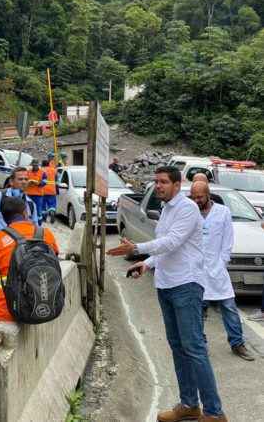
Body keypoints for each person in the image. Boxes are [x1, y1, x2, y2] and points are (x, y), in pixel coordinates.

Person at [108, 166, 227, 422]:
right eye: (156, 181)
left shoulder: (187, 208)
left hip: (186, 285)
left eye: (163, 182)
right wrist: (147, 263)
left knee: (194, 348)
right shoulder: (167, 209)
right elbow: (167, 249)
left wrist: (137, 247)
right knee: (178, 347)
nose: (158, 186)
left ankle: (214, 412)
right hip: (166, 285)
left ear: (176, 184)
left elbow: (172, 241)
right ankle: (189, 404)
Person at [0, 196, 59, 347]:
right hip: (49, 302)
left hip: (9, 307)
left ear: (4, 218)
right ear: (26, 212)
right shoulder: (47, 234)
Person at [189, 181, 253, 361]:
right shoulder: (190, 212)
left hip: (218, 270)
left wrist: (221, 263)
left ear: (208, 195)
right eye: (193, 197)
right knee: (198, 311)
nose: (196, 200)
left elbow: (227, 242)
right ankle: (200, 345)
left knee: (229, 308)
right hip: (197, 271)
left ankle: (237, 343)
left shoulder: (222, 212)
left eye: (200, 197)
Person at [0, 167, 38, 258]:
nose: (24, 182)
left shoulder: (30, 204)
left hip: (19, 255)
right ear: (11, 182)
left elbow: (35, 229)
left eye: (26, 179)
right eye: (20, 179)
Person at [26, 160, 47, 225]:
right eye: (34, 165)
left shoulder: (42, 173)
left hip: (38, 195)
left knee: (38, 211)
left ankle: (39, 225)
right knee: (28, 210)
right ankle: (29, 224)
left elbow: (44, 182)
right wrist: (28, 182)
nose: (35, 166)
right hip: (29, 194)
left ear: (38, 165)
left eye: (36, 165)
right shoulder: (28, 172)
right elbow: (25, 180)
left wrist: (37, 183)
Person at [41, 159, 57, 223]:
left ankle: (44, 217)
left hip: (43, 190)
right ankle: (52, 212)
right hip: (52, 190)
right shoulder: (53, 170)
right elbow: (56, 179)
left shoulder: (41, 170)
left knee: (43, 205)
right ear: (48, 164)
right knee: (52, 204)